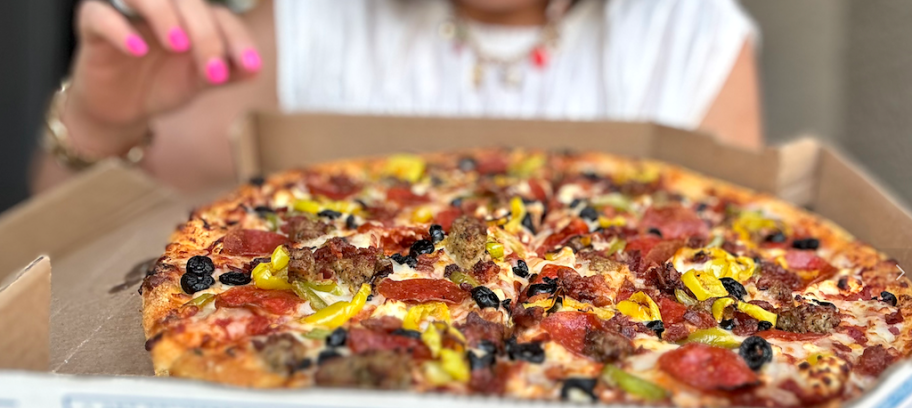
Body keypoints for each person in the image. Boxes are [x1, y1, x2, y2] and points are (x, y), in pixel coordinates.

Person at [32, 0, 761, 193]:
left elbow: (734, 290)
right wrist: (98, 119)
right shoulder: (312, 20)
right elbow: (86, 254)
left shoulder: (688, 35)